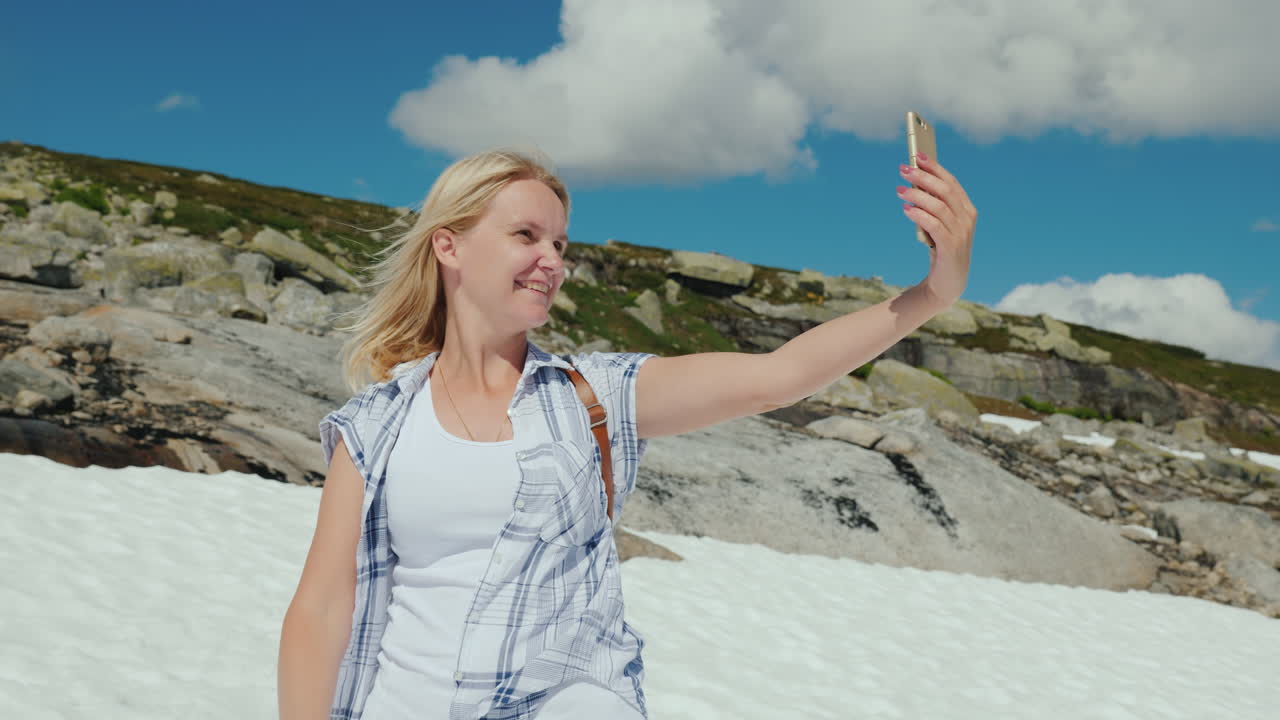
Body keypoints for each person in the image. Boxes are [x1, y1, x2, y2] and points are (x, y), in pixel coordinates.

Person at [278, 148, 976, 720]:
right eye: (526, 235)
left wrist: (933, 294)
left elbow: (779, 374)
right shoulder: (376, 424)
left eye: (559, 243)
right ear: (449, 245)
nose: (552, 259)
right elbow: (322, 608)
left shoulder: (597, 397)